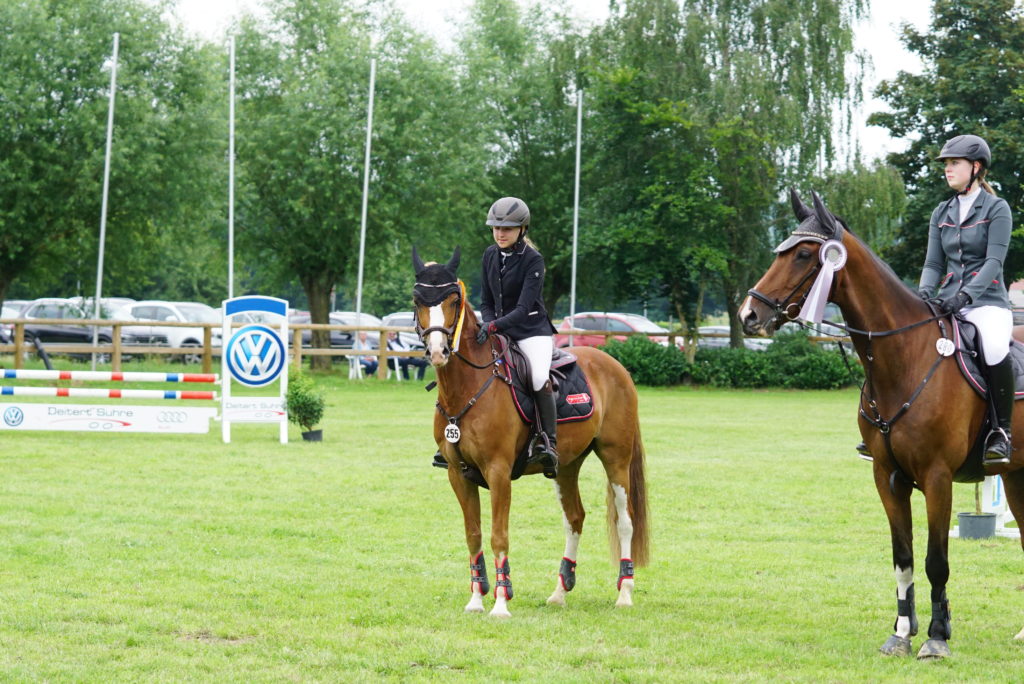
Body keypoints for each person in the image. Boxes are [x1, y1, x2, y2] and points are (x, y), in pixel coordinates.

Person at [920, 134, 1014, 465]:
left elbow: (993, 263)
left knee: (993, 347)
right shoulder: (941, 211)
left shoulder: (997, 208)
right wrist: (923, 296)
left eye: (954, 163)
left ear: (975, 167)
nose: (947, 169)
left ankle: (1001, 432)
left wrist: (965, 295)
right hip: (948, 302)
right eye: (946, 163)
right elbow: (933, 264)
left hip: (987, 303)